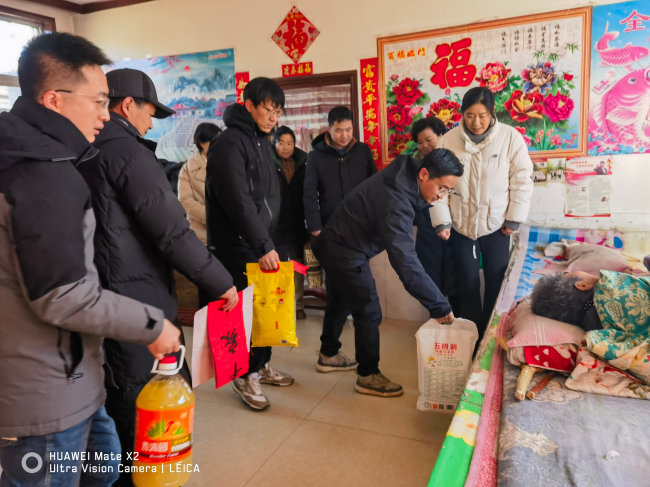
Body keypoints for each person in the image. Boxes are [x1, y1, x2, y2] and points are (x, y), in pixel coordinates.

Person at [0, 33, 181, 486]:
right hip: (41, 400)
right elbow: (63, 295)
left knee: (106, 469)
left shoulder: (37, 155)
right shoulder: (41, 173)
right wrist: (153, 326)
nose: (107, 113)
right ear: (53, 99)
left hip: (70, 379)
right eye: (99, 101)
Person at [76, 68, 237, 485]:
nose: (151, 123)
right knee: (140, 411)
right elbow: (172, 231)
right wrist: (220, 282)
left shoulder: (84, 148)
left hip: (100, 297)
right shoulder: (127, 152)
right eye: (150, 112)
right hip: (134, 295)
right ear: (127, 106)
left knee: (114, 406)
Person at [313, 149, 463, 396]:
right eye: (442, 188)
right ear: (424, 174)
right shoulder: (396, 199)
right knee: (368, 309)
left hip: (336, 244)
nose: (441, 195)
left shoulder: (405, 176)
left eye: (448, 190)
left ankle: (328, 354)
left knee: (340, 300)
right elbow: (405, 262)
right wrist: (439, 305)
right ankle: (368, 375)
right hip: (343, 251)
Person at [205, 77, 294, 411]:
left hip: (261, 241)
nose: (274, 117)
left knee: (266, 306)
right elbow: (238, 202)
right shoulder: (229, 143)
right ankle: (245, 375)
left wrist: (272, 240)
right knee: (249, 312)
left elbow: (268, 198)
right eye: (269, 109)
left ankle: (260, 364)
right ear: (250, 105)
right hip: (239, 243)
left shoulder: (260, 141)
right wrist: (261, 244)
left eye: (278, 111)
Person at [434, 87, 533, 335]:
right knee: (467, 284)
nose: (476, 123)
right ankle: (472, 337)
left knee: (496, 284)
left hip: (498, 227)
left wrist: (514, 218)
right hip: (461, 227)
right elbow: (438, 184)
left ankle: (491, 334)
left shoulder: (510, 138)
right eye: (470, 116)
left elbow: (522, 180)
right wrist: (442, 221)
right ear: (462, 114)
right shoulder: (448, 140)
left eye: (482, 115)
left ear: (492, 113)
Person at [410, 117, 459, 314]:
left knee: (455, 281)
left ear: (441, 136)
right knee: (429, 279)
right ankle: (436, 323)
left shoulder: (455, 164)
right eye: (420, 142)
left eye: (429, 139)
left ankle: (455, 328)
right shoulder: (414, 165)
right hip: (426, 230)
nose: (424, 146)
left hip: (453, 229)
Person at [303, 105, 377, 237]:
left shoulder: (363, 151)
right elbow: (310, 193)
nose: (344, 135)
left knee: (361, 257)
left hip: (361, 222)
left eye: (348, 129)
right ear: (329, 129)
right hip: (330, 224)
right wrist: (315, 226)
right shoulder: (315, 156)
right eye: (339, 130)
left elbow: (375, 186)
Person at [179, 122, 222, 308]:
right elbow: (186, 201)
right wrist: (213, 218)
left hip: (227, 235)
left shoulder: (226, 162)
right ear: (202, 142)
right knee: (207, 285)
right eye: (214, 139)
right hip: (201, 236)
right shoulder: (188, 169)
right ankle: (209, 330)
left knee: (228, 284)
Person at [273, 126, 309, 320]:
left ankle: (299, 305)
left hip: (296, 221)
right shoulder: (269, 163)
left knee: (297, 264)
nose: (286, 147)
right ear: (274, 144)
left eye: (290, 143)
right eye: (281, 143)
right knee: (277, 265)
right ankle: (279, 304)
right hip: (275, 222)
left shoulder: (302, 163)